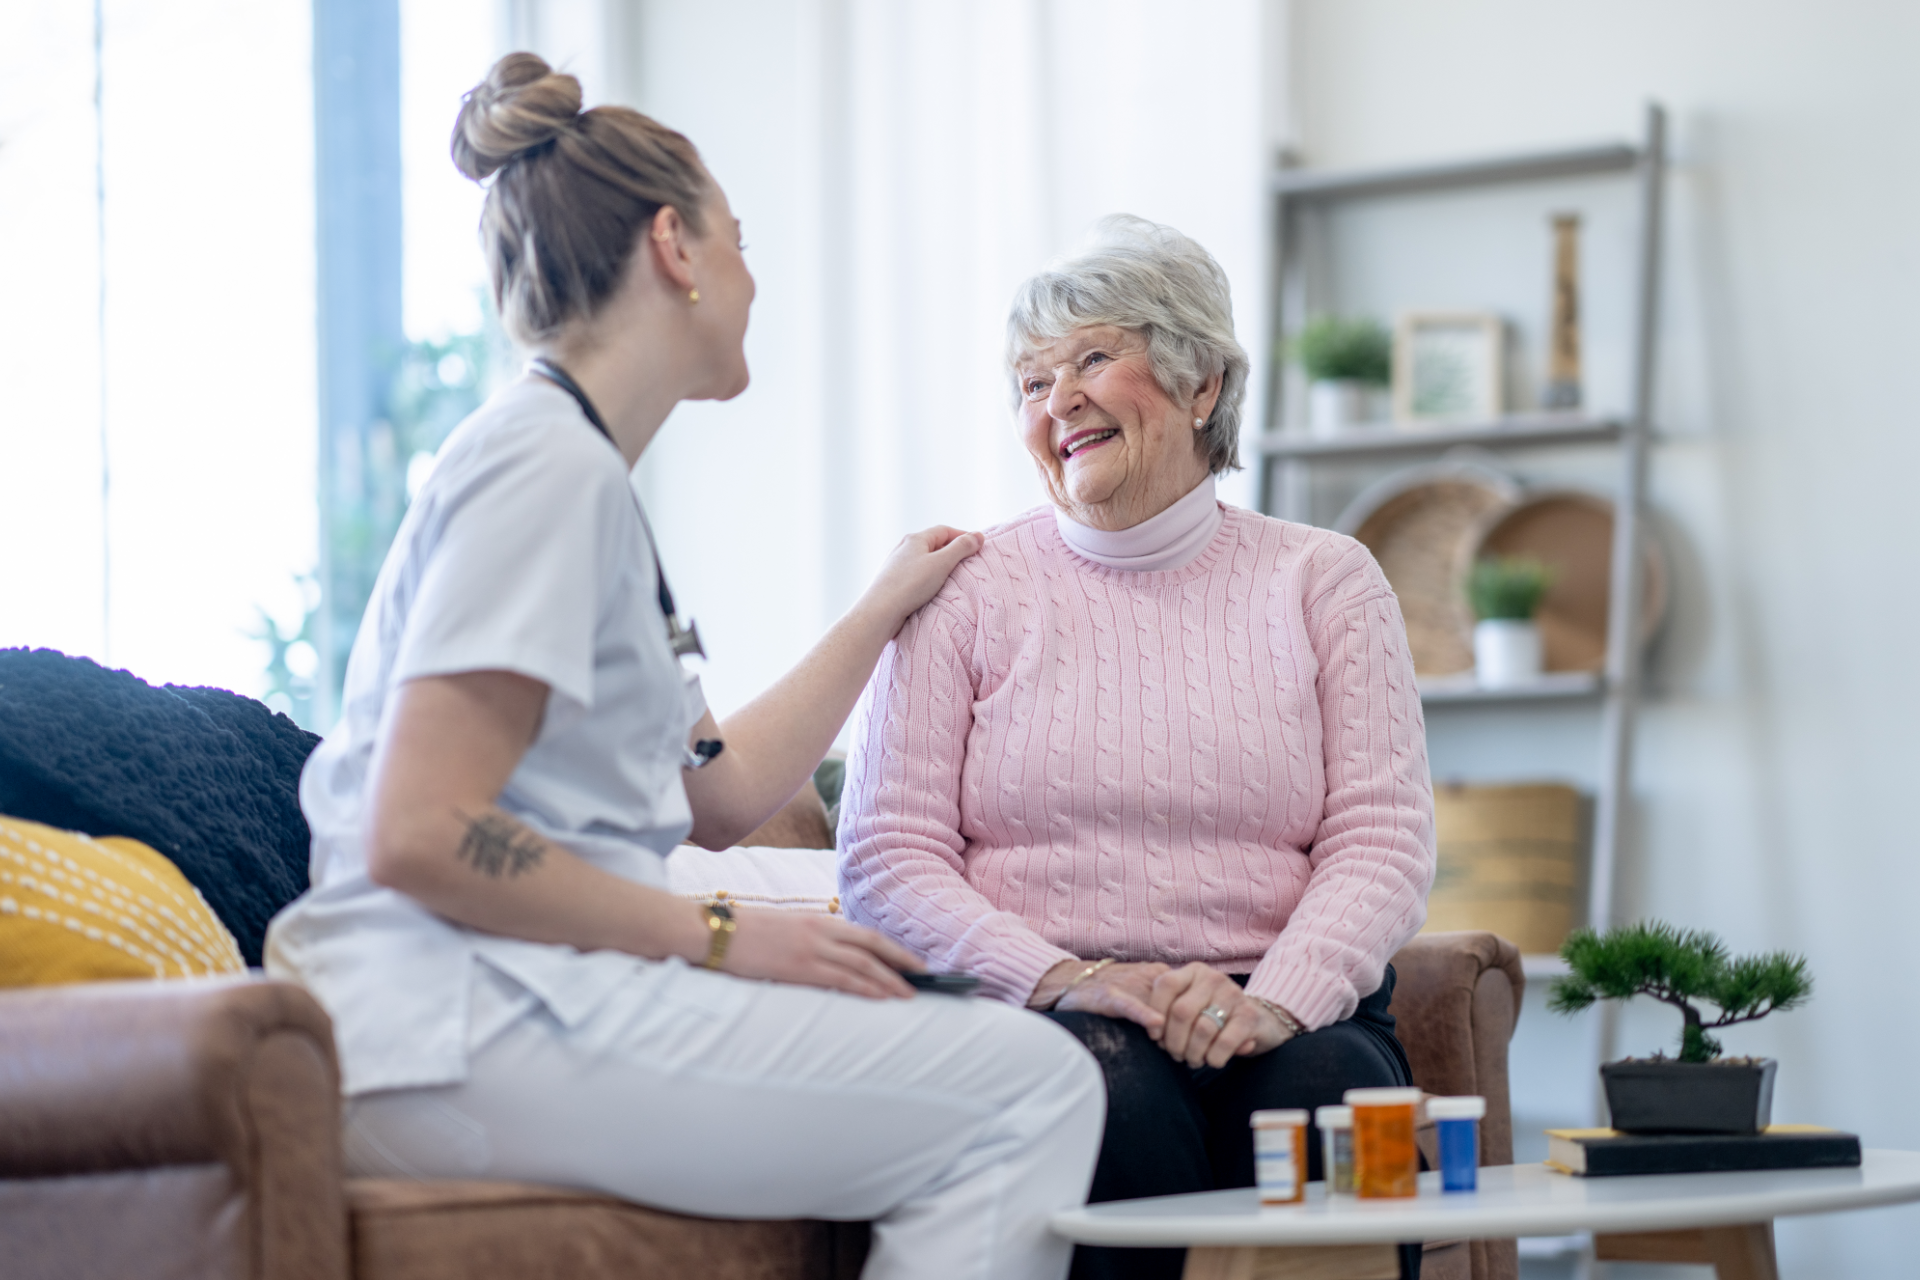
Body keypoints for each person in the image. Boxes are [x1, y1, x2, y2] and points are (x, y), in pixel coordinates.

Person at [265, 53, 1103, 1280]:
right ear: (676, 247)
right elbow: (420, 830)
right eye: (741, 240)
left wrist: (879, 609)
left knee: (985, 1051)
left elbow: (718, 788)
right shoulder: (541, 472)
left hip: (502, 1003)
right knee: (1027, 1086)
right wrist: (718, 933)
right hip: (453, 1018)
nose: (753, 279)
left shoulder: (580, 478)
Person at [838, 216, 1436, 1280]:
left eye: (1091, 359)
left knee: (1326, 1086)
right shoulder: (966, 590)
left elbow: (1382, 838)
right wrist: (1069, 975)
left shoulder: (1324, 577)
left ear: (1201, 383)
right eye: (1030, 380)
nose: (1054, 397)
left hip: (1281, 995)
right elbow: (885, 855)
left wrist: (1274, 999)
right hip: (1049, 1003)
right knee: (1109, 1089)